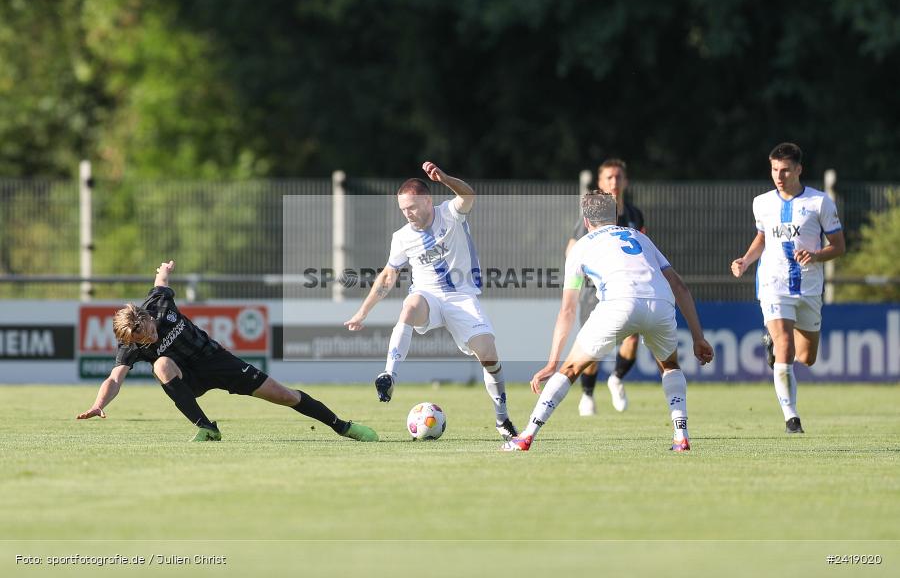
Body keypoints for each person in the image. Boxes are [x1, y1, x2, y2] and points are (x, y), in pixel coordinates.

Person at [503, 190, 713, 452]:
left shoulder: (580, 247)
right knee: (670, 366)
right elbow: (680, 286)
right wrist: (698, 337)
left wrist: (552, 362)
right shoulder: (641, 238)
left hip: (620, 305)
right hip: (660, 304)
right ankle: (681, 436)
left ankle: (526, 436)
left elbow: (568, 310)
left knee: (570, 369)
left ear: (587, 221)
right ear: (616, 215)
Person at [77, 260, 378, 443]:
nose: (146, 340)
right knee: (161, 365)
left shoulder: (158, 305)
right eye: (139, 340)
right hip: (187, 378)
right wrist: (99, 403)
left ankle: (342, 426)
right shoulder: (132, 345)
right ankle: (206, 428)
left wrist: (165, 270)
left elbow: (161, 283)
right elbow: (115, 379)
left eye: (145, 333)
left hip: (216, 361)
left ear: (144, 318)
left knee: (285, 395)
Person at [344, 162, 518, 441]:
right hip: (428, 296)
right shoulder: (401, 238)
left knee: (488, 354)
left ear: (427, 200)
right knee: (410, 305)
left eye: (411, 207)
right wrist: (362, 312)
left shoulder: (449, 213)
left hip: (461, 297)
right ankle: (389, 376)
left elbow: (469, 196)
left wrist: (445, 178)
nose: (407, 213)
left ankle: (502, 420)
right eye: (403, 209)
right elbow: (388, 276)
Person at [731, 142, 845, 434]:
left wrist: (817, 255)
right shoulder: (762, 202)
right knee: (785, 344)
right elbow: (762, 238)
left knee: (806, 357)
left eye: (784, 170)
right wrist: (745, 260)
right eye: (773, 170)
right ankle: (791, 418)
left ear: (798, 170)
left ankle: (774, 344)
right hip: (773, 283)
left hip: (808, 288)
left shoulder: (820, 203)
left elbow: (839, 246)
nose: (778, 176)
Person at [565, 158, 646, 416]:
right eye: (609, 178)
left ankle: (617, 378)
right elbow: (572, 250)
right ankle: (588, 395)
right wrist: (578, 282)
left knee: (633, 337)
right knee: (595, 347)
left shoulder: (634, 215)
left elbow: (643, 249)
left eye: (618, 177)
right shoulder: (593, 217)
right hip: (595, 293)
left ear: (625, 181)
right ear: (600, 183)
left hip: (627, 289)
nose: (614, 182)